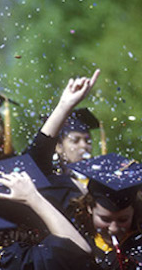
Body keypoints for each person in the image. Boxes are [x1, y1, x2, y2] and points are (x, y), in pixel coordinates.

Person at [26, 69, 100, 212]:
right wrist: (64, 106)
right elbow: (38, 154)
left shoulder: (100, 180)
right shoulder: (51, 181)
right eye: (75, 140)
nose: (83, 146)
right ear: (58, 147)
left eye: (87, 141)